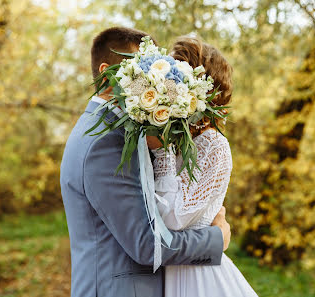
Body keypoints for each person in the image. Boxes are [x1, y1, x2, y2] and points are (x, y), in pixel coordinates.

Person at [60, 27, 231, 297]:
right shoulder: (104, 141)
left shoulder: (117, 130)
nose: (147, 81)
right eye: (137, 71)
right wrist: (216, 239)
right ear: (107, 75)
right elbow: (144, 244)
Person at [148, 36, 259, 297]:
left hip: (198, 278)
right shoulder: (173, 138)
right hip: (169, 273)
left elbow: (174, 220)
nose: (168, 87)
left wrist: (161, 150)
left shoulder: (213, 145)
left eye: (177, 79)